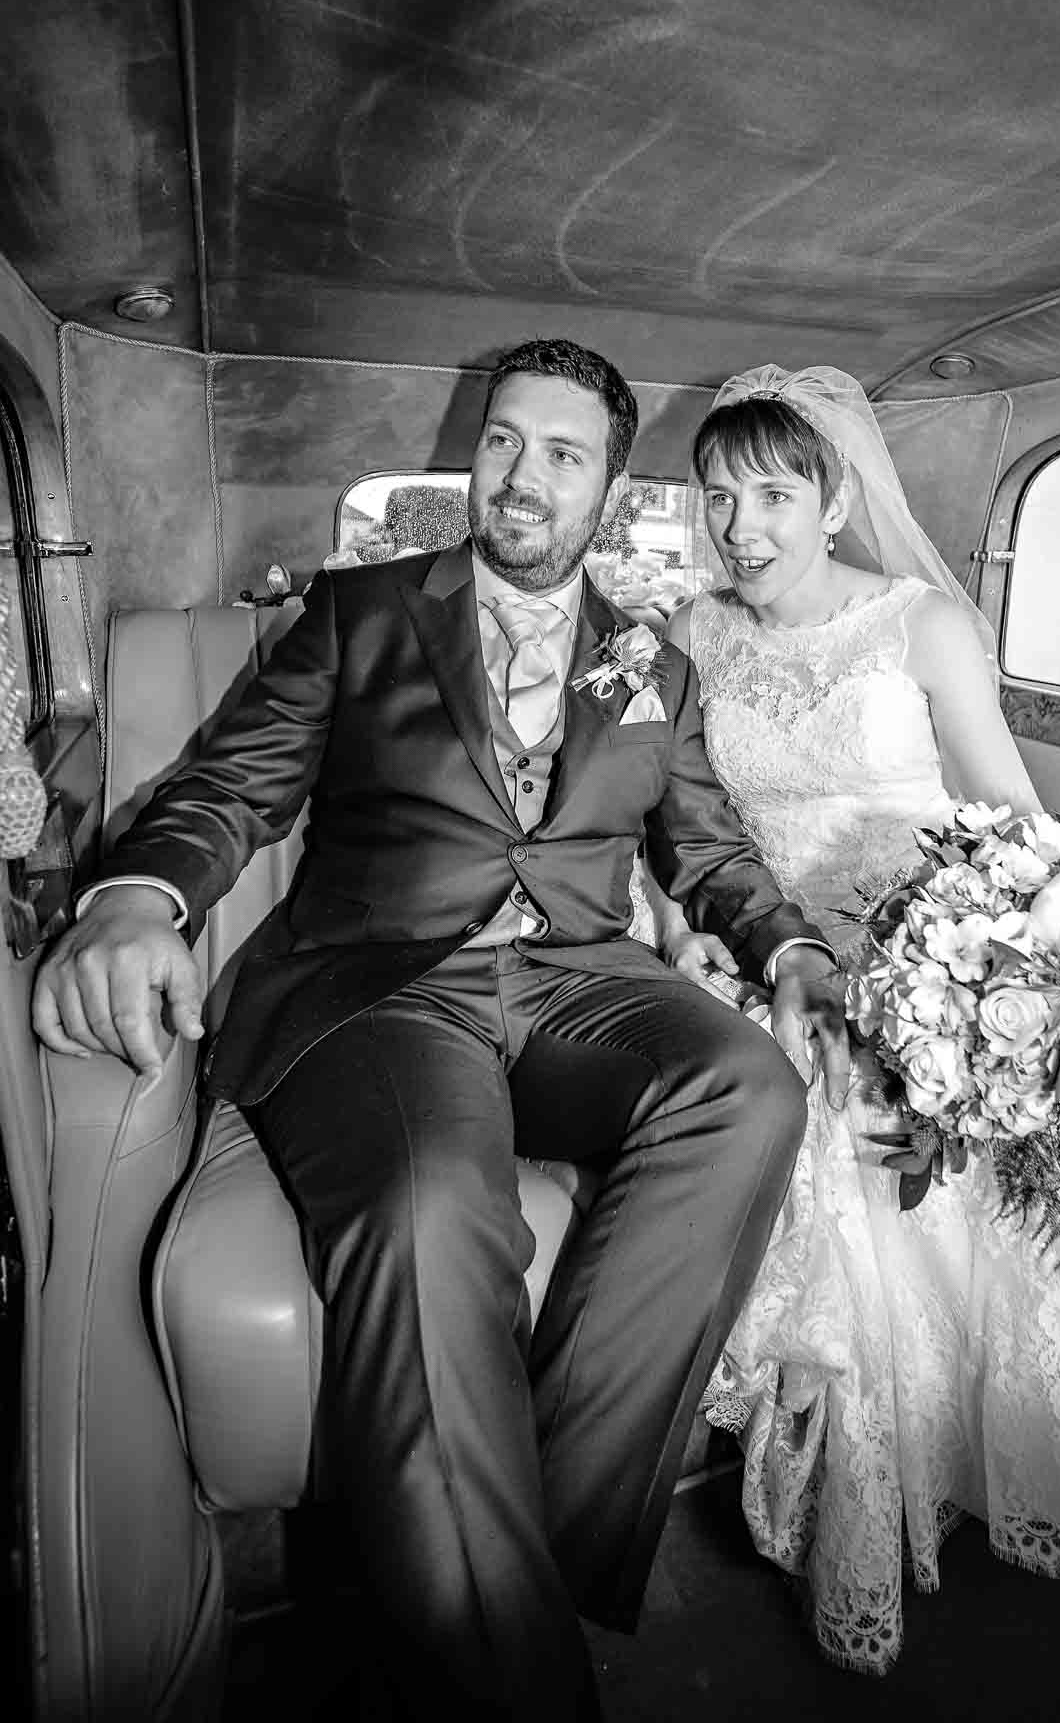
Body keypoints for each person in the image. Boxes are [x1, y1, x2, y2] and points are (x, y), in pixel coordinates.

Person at [31, 338, 851, 1722]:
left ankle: (501, 1553)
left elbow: (707, 852)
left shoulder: (644, 659)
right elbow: (231, 790)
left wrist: (796, 954)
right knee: (429, 1199)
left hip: (578, 981)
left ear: (609, 489)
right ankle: (507, 1667)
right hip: (382, 983)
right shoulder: (359, 615)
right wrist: (135, 896)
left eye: (564, 453)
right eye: (501, 443)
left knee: (748, 1085)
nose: (523, 478)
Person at [645, 364, 1060, 1692]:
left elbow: (1008, 814)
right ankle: (869, 1506)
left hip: (948, 938)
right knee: (834, 1134)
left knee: (1035, 1171)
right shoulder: (692, 637)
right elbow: (681, 828)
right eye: (717, 499)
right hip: (783, 958)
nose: (740, 526)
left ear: (831, 499)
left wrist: (1043, 966)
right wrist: (686, 928)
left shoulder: (921, 623)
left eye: (771, 492)